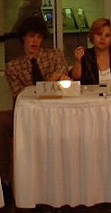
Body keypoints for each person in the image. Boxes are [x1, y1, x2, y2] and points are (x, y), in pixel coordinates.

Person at [2, 16, 70, 196]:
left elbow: (62, 83)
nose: (35, 41)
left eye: (39, 37)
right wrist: (49, 80)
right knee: (1, 121)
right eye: (31, 36)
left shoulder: (55, 56)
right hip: (26, 113)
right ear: (23, 37)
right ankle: (6, 181)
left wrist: (56, 79)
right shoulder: (13, 66)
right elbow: (20, 95)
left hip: (56, 110)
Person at [71, 18, 111, 85]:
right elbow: (76, 78)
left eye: (107, 35)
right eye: (99, 34)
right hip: (90, 94)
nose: (103, 38)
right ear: (92, 36)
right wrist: (78, 60)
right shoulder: (85, 55)